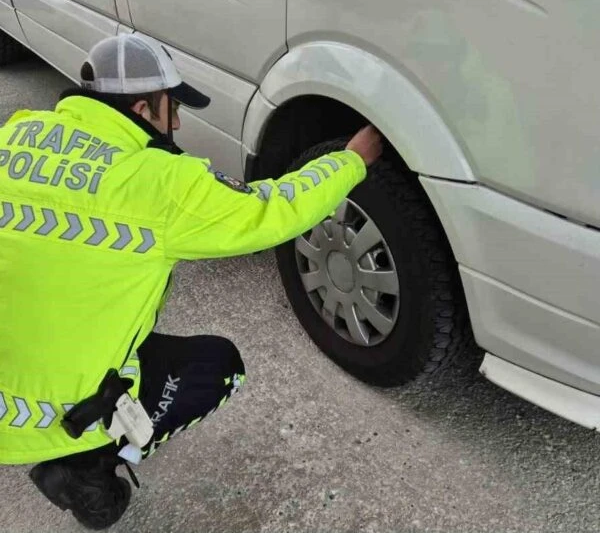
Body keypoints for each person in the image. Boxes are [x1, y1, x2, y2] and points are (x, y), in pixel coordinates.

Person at [0, 34, 382, 529]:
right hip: (52, 414)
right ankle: (86, 469)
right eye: (171, 108)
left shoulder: (16, 137)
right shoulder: (158, 183)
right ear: (142, 107)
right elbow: (273, 210)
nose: (177, 122)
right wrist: (351, 160)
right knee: (218, 368)